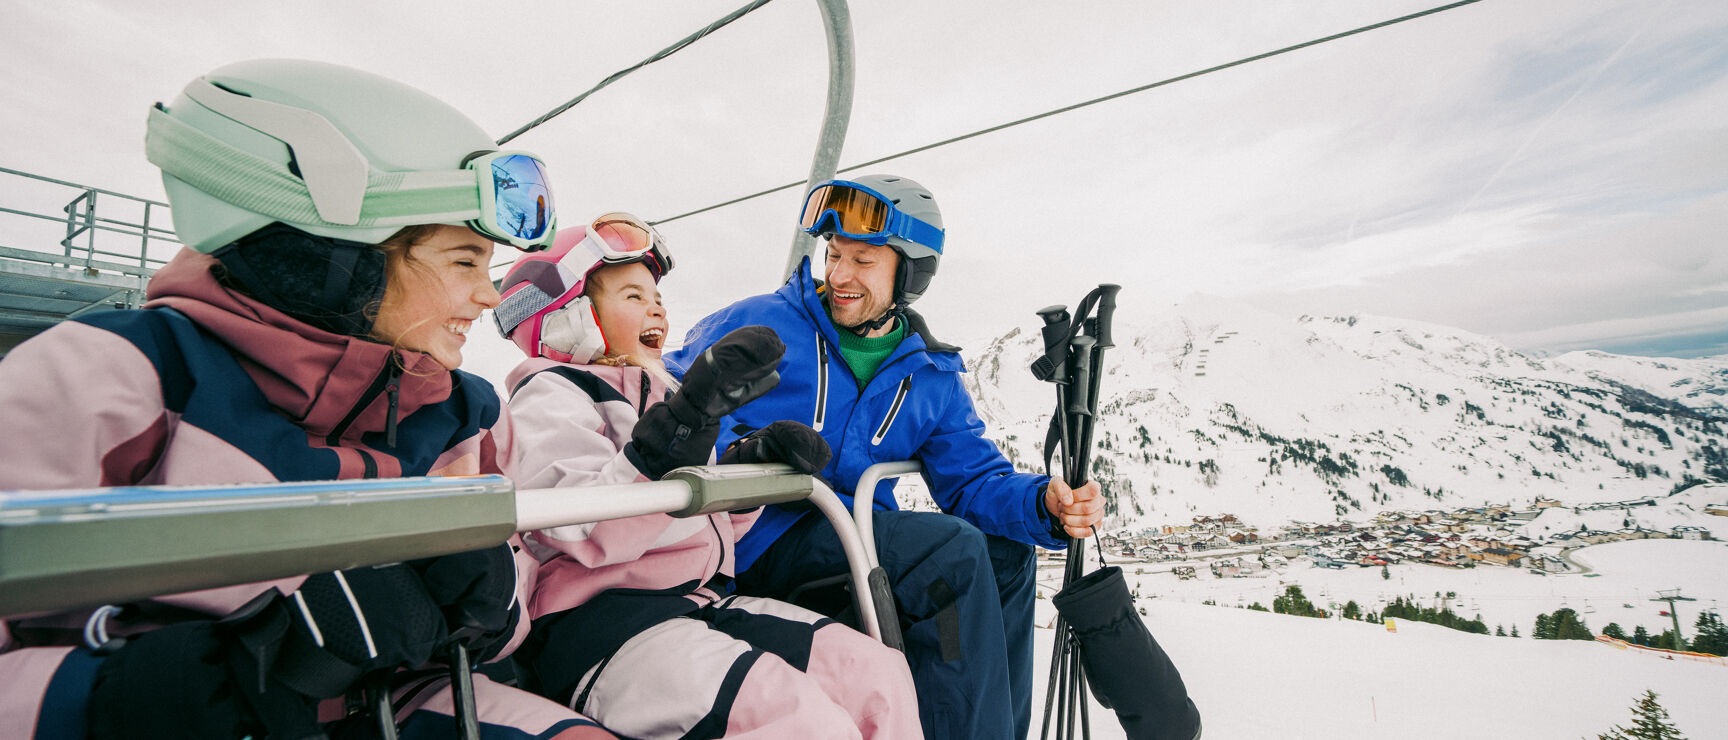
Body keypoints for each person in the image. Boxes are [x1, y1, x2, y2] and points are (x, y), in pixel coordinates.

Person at [0, 59, 609, 739]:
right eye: (464, 261)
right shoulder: (116, 376)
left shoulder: (456, 415)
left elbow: (498, 637)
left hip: (400, 705)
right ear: (338, 256)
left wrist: (491, 600)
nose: (489, 296)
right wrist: (124, 698)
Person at [666, 175, 1105, 739]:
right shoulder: (764, 322)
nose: (840, 276)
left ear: (909, 272)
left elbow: (973, 481)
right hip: (757, 535)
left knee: (1004, 554)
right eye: (834, 255)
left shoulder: (929, 374)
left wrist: (1042, 502)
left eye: (864, 260)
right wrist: (736, 452)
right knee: (952, 552)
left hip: (853, 541)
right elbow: (670, 397)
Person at [494, 215, 921, 739]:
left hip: (696, 601)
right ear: (571, 318)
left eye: (656, 296)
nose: (656, 307)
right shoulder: (552, 393)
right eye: (632, 296)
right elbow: (574, 527)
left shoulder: (663, 393)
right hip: (603, 624)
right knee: (796, 721)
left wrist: (742, 476)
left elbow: (711, 529)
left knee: (875, 675)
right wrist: (666, 442)